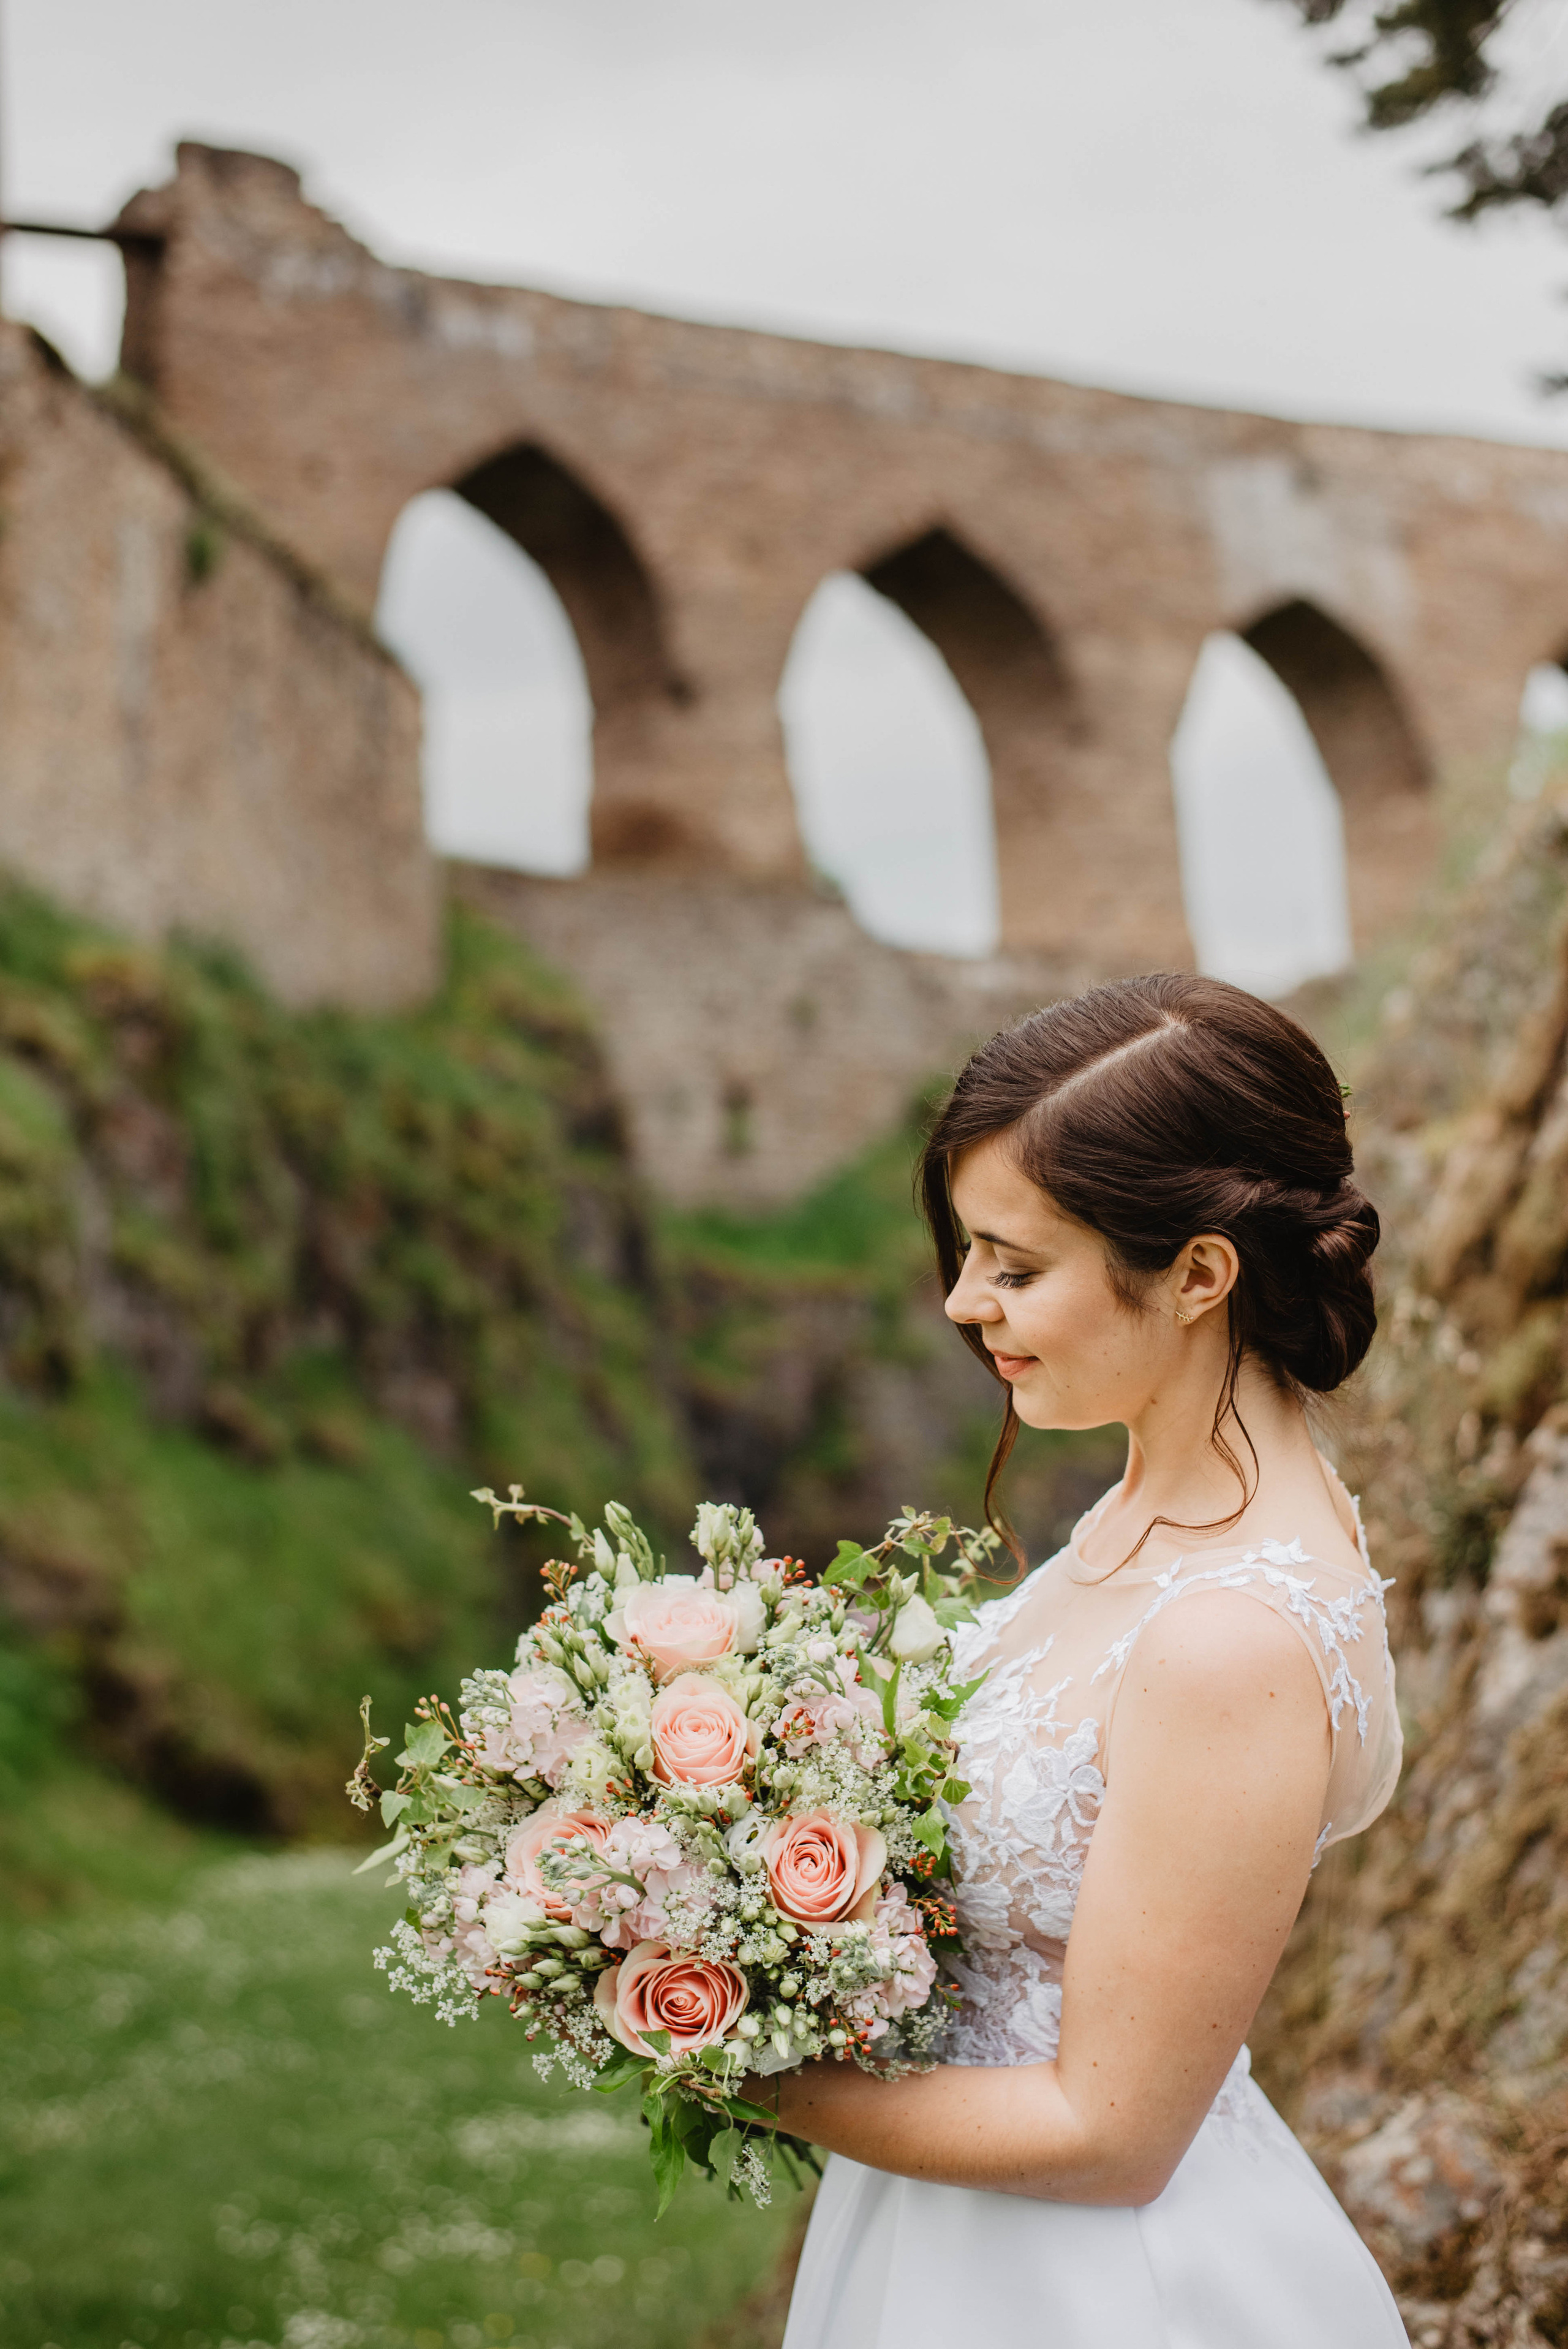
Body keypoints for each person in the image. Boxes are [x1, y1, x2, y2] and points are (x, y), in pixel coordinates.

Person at [772, 972, 1408, 2348]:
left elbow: (1111, 2132)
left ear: (1194, 1274)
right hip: (945, 2241)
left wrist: (723, 2054)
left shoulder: (1226, 1640)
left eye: (1013, 1266)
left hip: (1098, 2295)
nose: (959, 1302)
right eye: (965, 1254)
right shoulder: (1155, 1507)